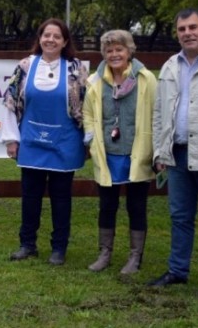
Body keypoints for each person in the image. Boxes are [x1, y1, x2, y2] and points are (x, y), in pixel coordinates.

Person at [149, 8, 198, 302]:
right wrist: (159, 150)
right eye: (182, 29)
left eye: (193, 27)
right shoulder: (170, 66)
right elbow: (159, 113)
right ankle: (177, 271)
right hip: (177, 155)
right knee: (180, 217)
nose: (187, 33)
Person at [0, 18, 88, 265]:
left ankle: (59, 248)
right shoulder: (26, 66)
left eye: (56, 36)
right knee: (30, 196)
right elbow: (10, 102)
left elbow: (88, 105)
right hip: (31, 141)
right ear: (39, 39)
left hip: (66, 142)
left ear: (65, 42)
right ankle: (27, 244)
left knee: (62, 198)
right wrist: (11, 140)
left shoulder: (76, 68)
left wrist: (89, 139)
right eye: (46, 35)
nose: (51, 40)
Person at [82, 30, 157, 274]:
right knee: (107, 206)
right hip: (107, 155)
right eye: (109, 50)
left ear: (129, 51)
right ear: (104, 53)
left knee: (136, 206)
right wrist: (92, 142)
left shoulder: (145, 79)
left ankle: (135, 257)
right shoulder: (94, 81)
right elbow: (88, 115)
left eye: (119, 49)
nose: (114, 54)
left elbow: (157, 114)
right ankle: (105, 253)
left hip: (137, 154)